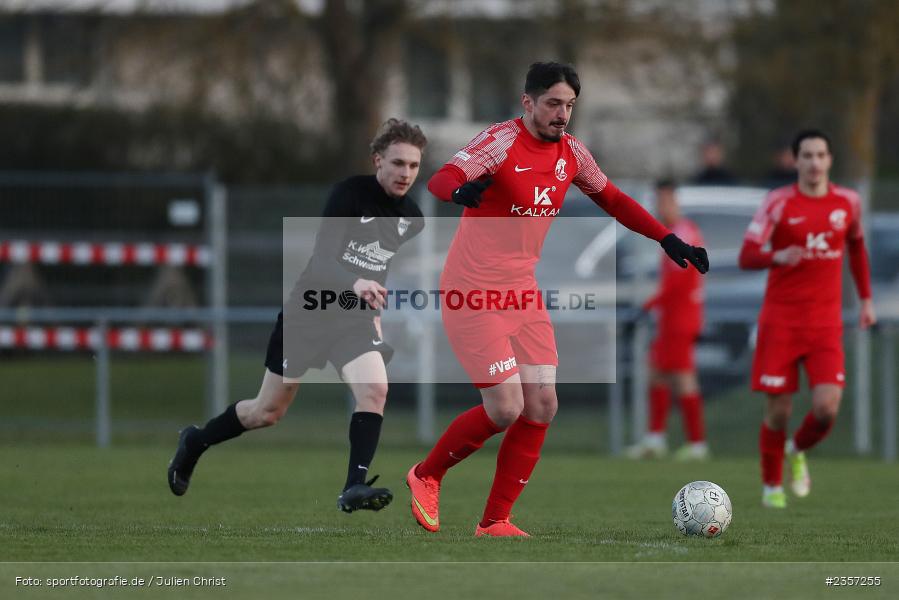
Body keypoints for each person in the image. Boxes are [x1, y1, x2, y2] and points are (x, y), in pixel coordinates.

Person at [405, 62, 709, 537]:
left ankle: (495, 521)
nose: (562, 114)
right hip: (472, 290)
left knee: (542, 403)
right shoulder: (502, 141)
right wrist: (461, 191)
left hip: (522, 291)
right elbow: (441, 178)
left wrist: (667, 239)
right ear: (527, 102)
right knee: (505, 407)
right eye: (552, 103)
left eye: (569, 105)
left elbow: (613, 199)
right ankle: (427, 474)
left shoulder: (573, 154)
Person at [167, 118, 428, 513]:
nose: (405, 173)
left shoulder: (413, 218)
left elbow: (380, 260)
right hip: (310, 312)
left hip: (352, 319)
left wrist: (373, 309)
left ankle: (353, 487)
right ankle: (196, 441)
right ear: (378, 161)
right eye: (397, 163)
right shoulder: (348, 195)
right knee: (266, 412)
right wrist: (356, 282)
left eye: (413, 165)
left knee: (375, 390)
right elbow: (323, 259)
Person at [738, 129, 876, 509]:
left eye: (820, 155)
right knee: (779, 410)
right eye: (807, 156)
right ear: (795, 161)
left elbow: (858, 247)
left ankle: (796, 450)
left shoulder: (848, 202)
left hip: (825, 325)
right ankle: (771, 488)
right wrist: (776, 256)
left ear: (829, 160)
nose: (814, 163)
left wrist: (866, 300)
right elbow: (747, 255)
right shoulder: (777, 203)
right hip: (781, 322)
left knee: (826, 408)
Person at [626, 179, 708, 461]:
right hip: (674, 316)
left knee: (683, 378)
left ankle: (697, 444)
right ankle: (656, 439)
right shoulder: (677, 231)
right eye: (658, 201)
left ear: (674, 200)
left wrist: (648, 306)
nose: (660, 207)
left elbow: (678, 281)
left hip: (681, 317)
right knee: (657, 372)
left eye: (664, 200)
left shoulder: (684, 232)